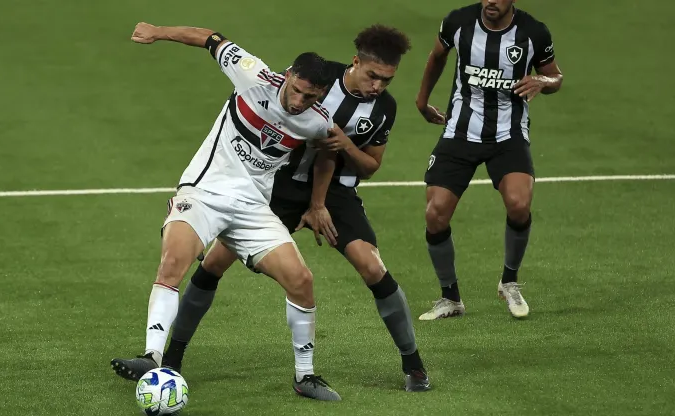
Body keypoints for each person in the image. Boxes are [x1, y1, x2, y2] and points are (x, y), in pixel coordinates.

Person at [161, 25, 431, 393]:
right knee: (213, 263)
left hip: (336, 192)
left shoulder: (385, 109)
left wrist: (344, 152)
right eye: (373, 76)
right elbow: (275, 103)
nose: (378, 87)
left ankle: (413, 365)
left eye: (387, 80)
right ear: (356, 62)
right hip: (280, 185)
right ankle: (171, 360)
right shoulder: (317, 77)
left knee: (372, 266)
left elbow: (369, 167)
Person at [110, 22, 343, 401]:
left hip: (252, 208)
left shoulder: (318, 121)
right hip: (204, 192)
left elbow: (325, 156)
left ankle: (305, 377)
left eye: (309, 96)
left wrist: (317, 203)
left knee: (301, 280)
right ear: (288, 76)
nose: (298, 101)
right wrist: (157, 31)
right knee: (173, 260)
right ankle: (152, 356)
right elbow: (209, 38)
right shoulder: (252, 73)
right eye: (296, 90)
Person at [415, 0, 563, 320]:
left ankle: (509, 281)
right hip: (460, 131)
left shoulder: (533, 32)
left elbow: (556, 77)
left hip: (508, 135)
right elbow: (437, 56)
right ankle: (450, 298)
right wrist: (422, 100)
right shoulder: (458, 22)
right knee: (435, 213)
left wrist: (543, 81)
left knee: (519, 205)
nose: (490, 1)